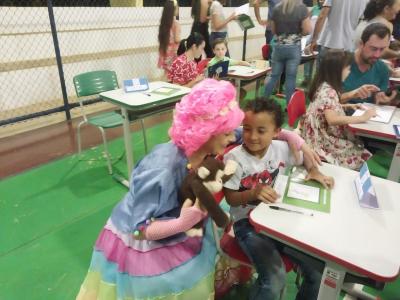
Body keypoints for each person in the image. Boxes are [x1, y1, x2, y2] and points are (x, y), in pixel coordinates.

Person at [76, 79, 245, 300]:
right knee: (173, 284)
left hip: (180, 225)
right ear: (208, 132)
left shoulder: (202, 147)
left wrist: (280, 134)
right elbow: (138, 231)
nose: (232, 138)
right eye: (226, 133)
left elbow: (239, 133)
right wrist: (182, 223)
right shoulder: (162, 169)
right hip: (147, 239)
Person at [223, 99, 334, 300]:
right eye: (247, 129)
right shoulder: (234, 159)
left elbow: (303, 158)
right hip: (247, 225)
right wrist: (252, 194)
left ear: (276, 132)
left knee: (319, 271)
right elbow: (230, 198)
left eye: (261, 130)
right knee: (275, 279)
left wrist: (314, 170)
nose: (252, 136)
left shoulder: (280, 148)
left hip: (278, 222)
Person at [300, 50, 375, 170]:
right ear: (337, 71)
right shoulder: (329, 91)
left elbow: (324, 108)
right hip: (321, 140)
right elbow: (332, 119)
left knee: (356, 144)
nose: (349, 71)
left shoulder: (323, 85)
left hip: (315, 134)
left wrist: (345, 106)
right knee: (357, 150)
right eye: (348, 68)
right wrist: (363, 117)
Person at [263, 0, 312, 105]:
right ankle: (289, 106)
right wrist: (298, 33)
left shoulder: (277, 8)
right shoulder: (301, 8)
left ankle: (262, 102)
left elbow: (273, 30)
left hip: (279, 47)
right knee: (291, 77)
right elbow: (307, 30)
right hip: (294, 48)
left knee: (273, 76)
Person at [342, 23, 397, 105]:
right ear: (361, 44)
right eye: (373, 49)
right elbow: (323, 101)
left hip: (368, 115)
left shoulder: (382, 69)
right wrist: (351, 95)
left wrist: (383, 100)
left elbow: (379, 102)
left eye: (382, 49)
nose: (377, 55)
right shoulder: (341, 63)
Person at [157, 0, 181, 76]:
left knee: (166, 73)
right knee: (174, 73)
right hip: (173, 52)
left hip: (165, 50)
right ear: (173, 10)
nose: (178, 9)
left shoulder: (163, 22)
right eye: (177, 7)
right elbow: (177, 39)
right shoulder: (176, 23)